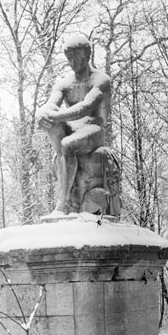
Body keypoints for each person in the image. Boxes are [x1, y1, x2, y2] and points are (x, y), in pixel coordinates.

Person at [36, 33, 111, 215]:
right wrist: (42, 114)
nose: (73, 62)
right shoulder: (65, 83)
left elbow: (85, 108)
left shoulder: (100, 80)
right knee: (51, 126)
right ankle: (66, 170)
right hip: (73, 129)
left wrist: (57, 116)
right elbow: (51, 104)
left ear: (87, 55)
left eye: (77, 58)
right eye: (69, 59)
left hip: (93, 128)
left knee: (67, 144)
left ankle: (64, 202)